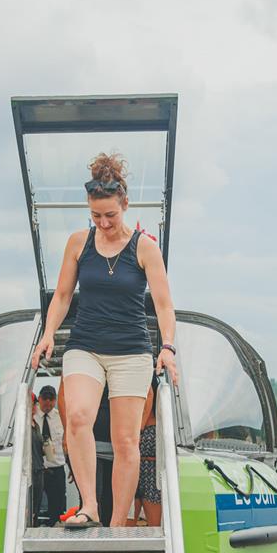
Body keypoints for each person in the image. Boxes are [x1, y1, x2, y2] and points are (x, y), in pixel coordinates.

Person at [31, 152, 178, 529]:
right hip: (86, 345)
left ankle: (115, 524)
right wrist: (48, 333)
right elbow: (63, 296)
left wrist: (168, 347)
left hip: (131, 350)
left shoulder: (145, 248)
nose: (103, 223)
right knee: (78, 417)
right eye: (96, 216)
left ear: (125, 205)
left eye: (110, 215)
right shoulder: (79, 243)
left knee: (125, 440)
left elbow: (163, 305)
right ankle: (90, 507)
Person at [33, 384, 67, 526]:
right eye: (45, 398)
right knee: (34, 503)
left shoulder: (61, 418)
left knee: (57, 505)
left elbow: (67, 443)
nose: (48, 402)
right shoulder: (32, 418)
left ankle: (56, 531)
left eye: (51, 399)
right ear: (39, 399)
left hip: (57, 468)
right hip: (38, 469)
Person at [132, 379, 161, 526]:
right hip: (131, 473)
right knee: (126, 526)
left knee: (155, 525)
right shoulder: (130, 417)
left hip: (152, 476)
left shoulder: (162, 420)